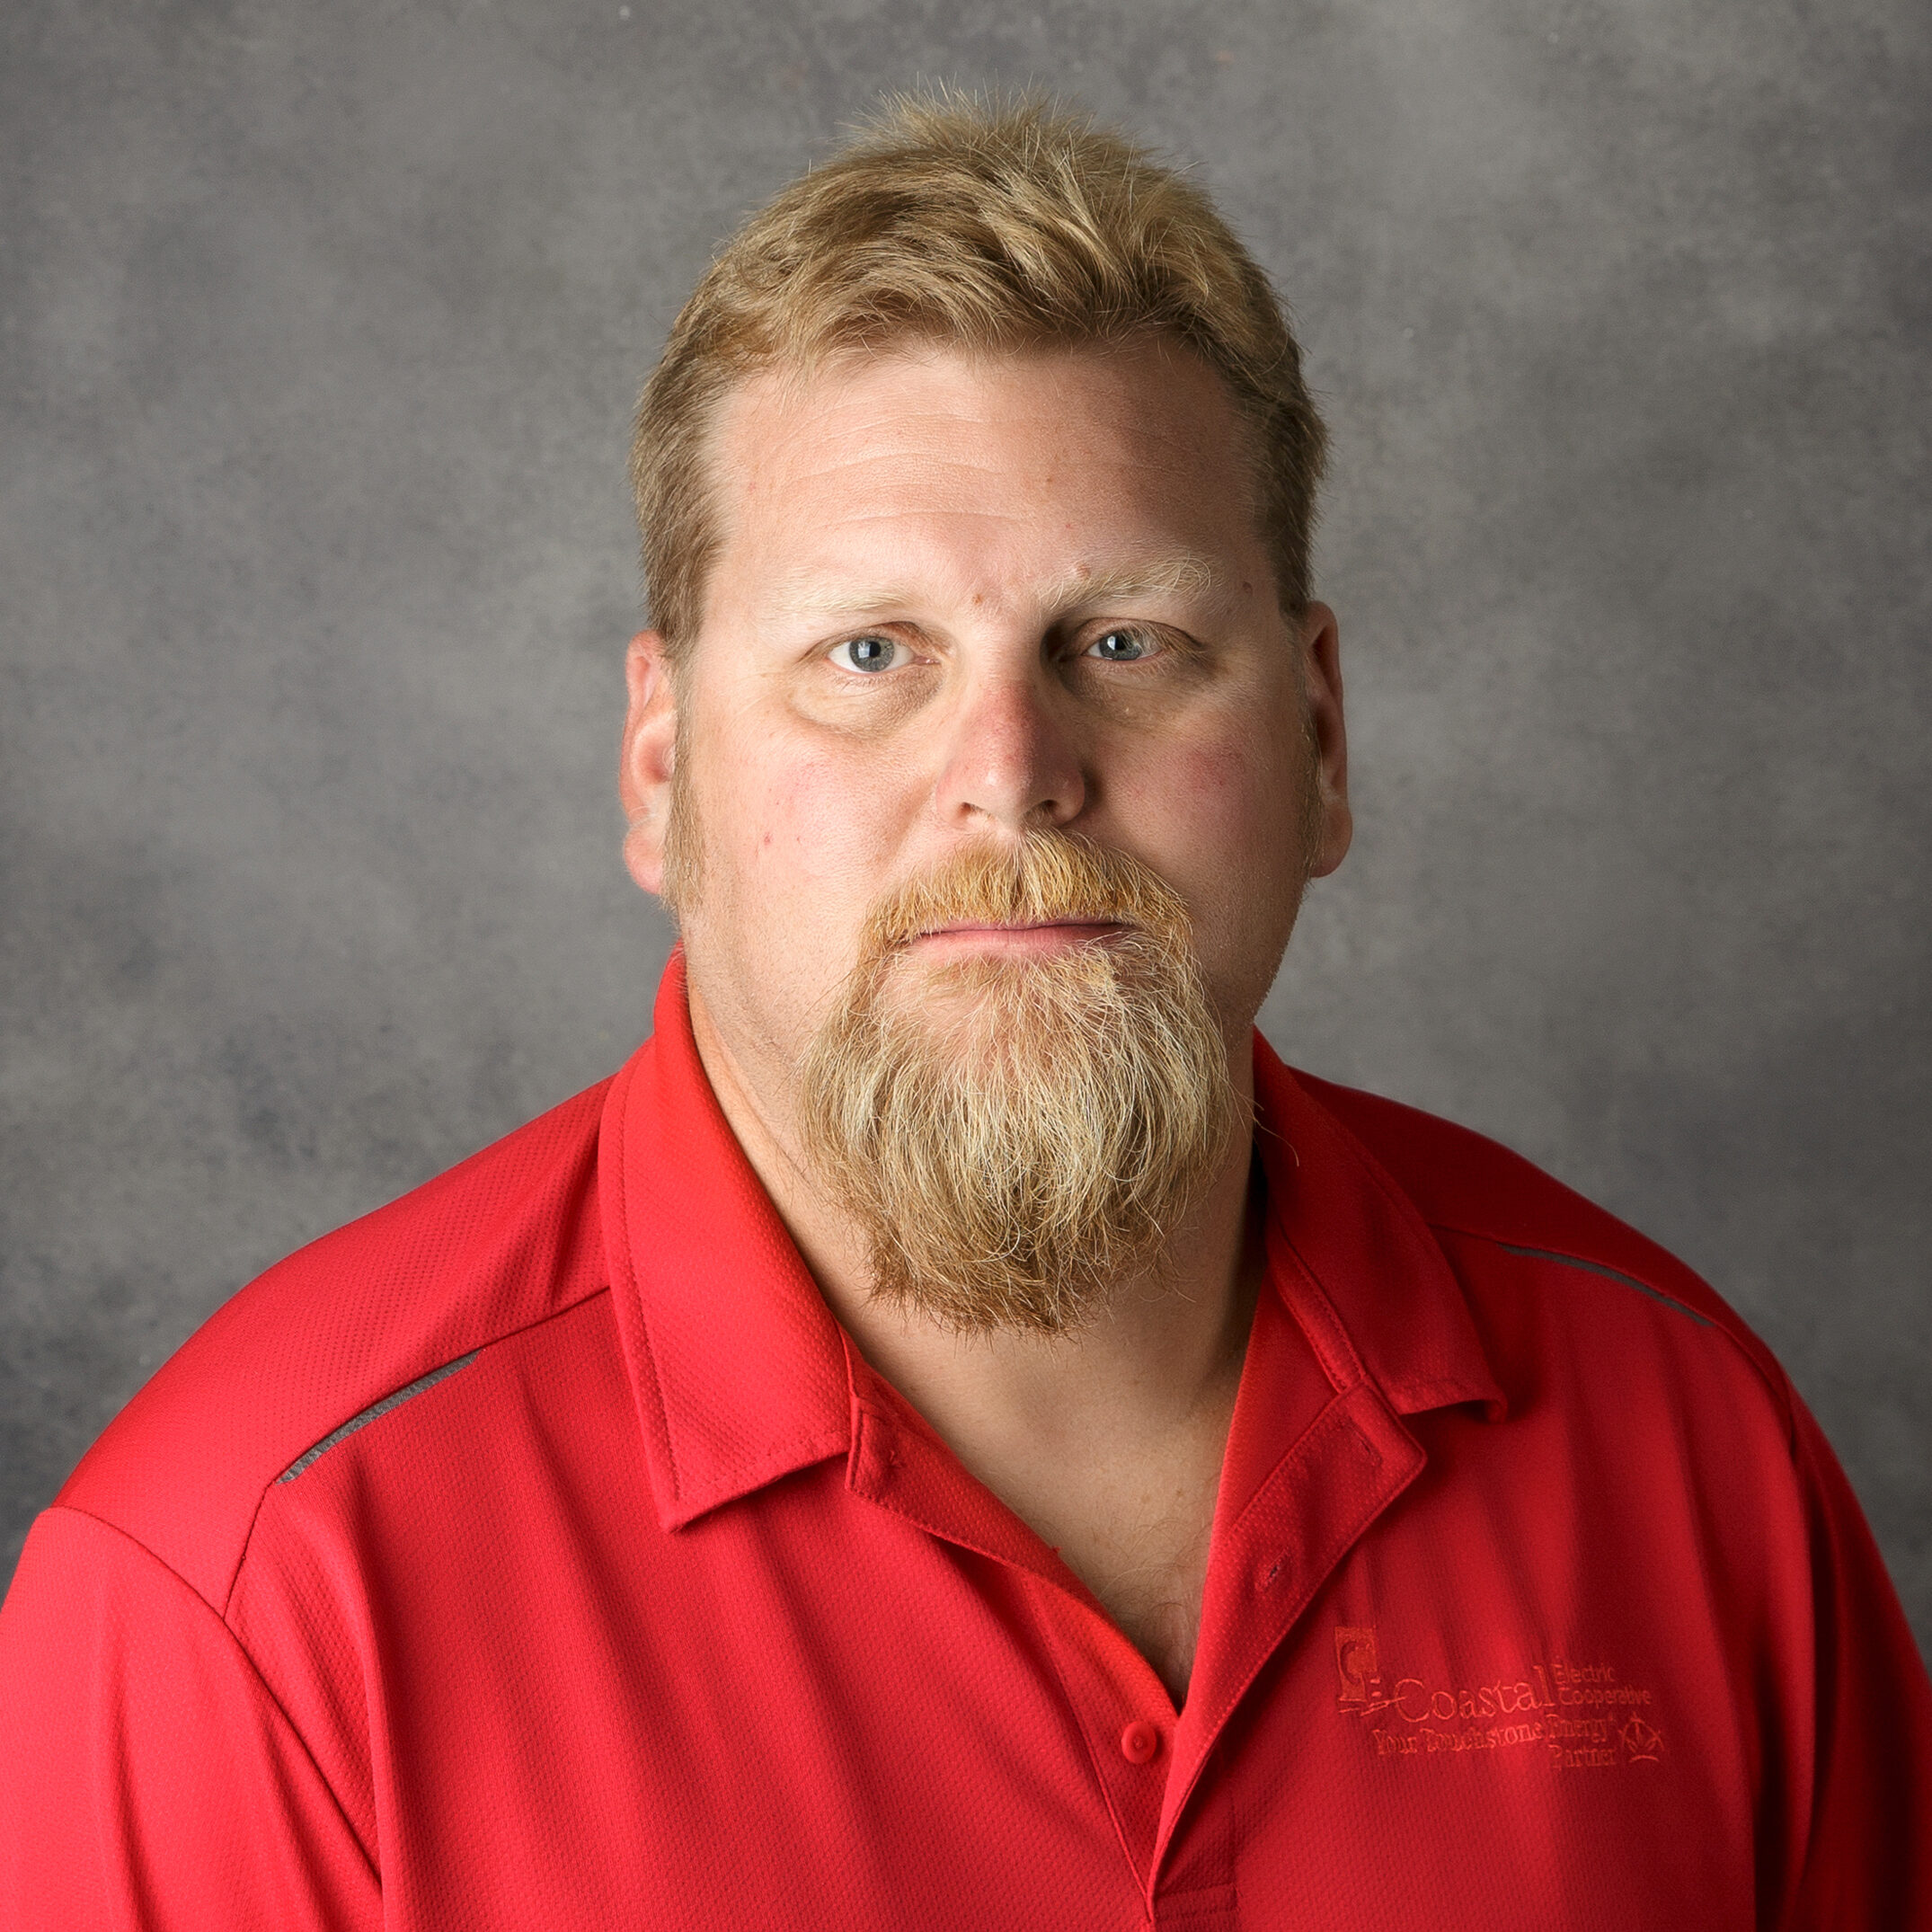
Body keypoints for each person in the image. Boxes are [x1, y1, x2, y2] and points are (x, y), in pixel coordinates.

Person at [2, 92, 1928, 1932]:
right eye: (866, 653)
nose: (1010, 770)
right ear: (658, 763)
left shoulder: (1689, 1444)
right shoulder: (241, 1598)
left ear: (1320, 736)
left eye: (1124, 644)